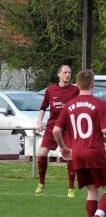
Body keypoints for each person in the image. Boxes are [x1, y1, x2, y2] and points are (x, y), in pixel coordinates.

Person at [53, 69, 106, 217]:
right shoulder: (99, 103)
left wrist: (64, 147)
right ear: (92, 83)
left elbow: (56, 130)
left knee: (92, 190)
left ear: (77, 84)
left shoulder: (69, 105)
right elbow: (105, 129)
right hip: (95, 150)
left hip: (77, 153)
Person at [35, 64, 79, 198]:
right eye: (65, 72)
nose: (68, 75)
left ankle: (71, 188)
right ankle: (41, 183)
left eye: (70, 73)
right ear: (59, 74)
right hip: (52, 127)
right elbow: (43, 107)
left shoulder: (74, 90)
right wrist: (39, 122)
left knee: (69, 155)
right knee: (42, 153)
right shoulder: (50, 90)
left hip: (68, 128)